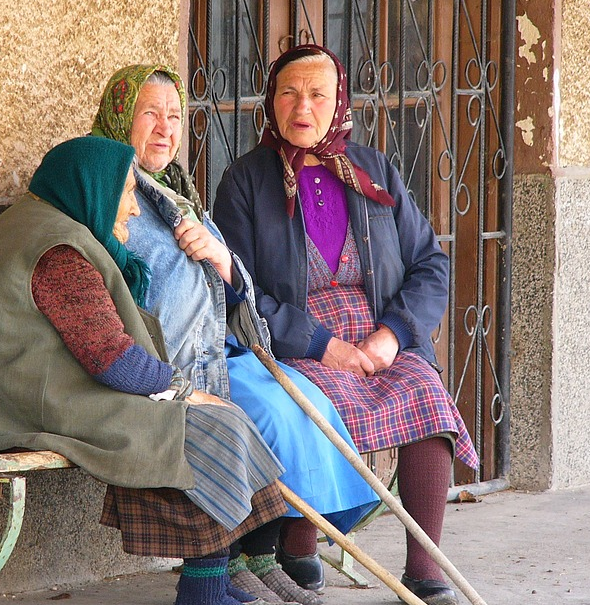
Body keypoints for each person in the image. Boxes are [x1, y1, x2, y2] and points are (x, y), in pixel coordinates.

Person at [0, 136, 291, 605]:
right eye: (126, 193)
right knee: (203, 426)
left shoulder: (41, 225)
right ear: (92, 190)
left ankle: (212, 580)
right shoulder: (57, 249)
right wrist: (184, 392)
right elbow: (112, 359)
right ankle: (203, 590)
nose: (131, 209)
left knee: (214, 420)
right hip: (26, 406)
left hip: (28, 392)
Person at [91, 64, 379, 605]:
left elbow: (236, 282)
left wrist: (221, 257)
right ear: (119, 119)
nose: (164, 128)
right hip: (173, 364)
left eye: (174, 116)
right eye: (149, 114)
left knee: (300, 403)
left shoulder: (179, 193)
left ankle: (260, 556)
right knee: (258, 417)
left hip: (224, 348)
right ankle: (226, 568)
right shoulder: (108, 197)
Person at [212, 44, 481, 605]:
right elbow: (238, 288)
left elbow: (430, 263)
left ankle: (425, 570)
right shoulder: (245, 181)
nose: (302, 107)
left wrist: (393, 336)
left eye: (317, 94)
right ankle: (299, 540)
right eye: (289, 92)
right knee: (322, 409)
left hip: (381, 335)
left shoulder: (373, 170)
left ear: (339, 104)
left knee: (425, 395)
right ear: (271, 102)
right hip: (299, 340)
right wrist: (320, 343)